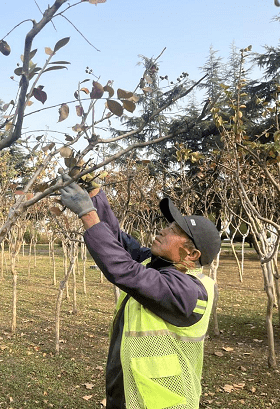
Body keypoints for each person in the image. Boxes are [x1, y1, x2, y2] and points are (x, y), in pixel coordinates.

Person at [59, 174, 220, 409]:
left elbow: (124, 270)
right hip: (129, 393)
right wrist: (94, 194)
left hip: (163, 403)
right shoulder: (156, 264)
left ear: (192, 254)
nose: (163, 231)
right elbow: (118, 241)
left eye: (174, 230)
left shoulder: (189, 291)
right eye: (168, 225)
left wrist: (87, 214)